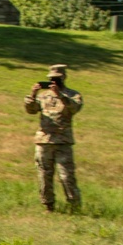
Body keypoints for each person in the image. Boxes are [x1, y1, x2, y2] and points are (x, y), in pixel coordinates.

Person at [25, 64, 83, 213]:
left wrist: (60, 96)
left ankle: (74, 206)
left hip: (63, 142)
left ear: (64, 78)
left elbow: (74, 108)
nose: (54, 81)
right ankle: (48, 205)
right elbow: (30, 110)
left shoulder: (73, 95)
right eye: (51, 79)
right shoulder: (43, 96)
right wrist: (33, 94)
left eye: (57, 79)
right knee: (44, 176)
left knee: (66, 176)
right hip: (44, 141)